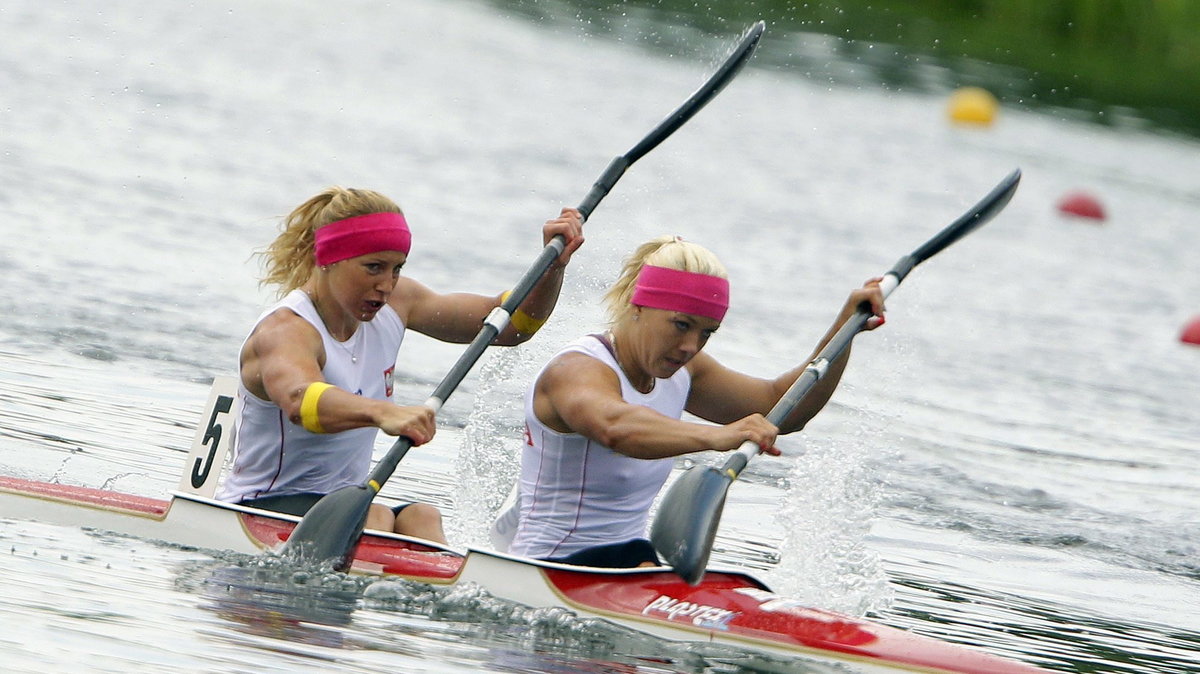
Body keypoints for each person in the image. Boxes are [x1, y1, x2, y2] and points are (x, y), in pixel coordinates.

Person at [217, 186, 584, 544]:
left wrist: (552, 266)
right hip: (260, 507)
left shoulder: (398, 303)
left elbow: (512, 325)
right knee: (375, 515)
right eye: (373, 267)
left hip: (336, 507)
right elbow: (300, 401)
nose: (387, 284)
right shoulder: (286, 330)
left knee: (421, 515)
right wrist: (382, 412)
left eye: (396, 268)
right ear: (327, 258)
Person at [493, 235, 884, 567]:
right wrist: (717, 436)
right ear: (637, 305)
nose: (689, 346)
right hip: (549, 565)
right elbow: (614, 426)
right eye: (681, 325)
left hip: (628, 563)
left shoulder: (685, 371)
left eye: (706, 333)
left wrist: (844, 331)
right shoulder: (576, 370)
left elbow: (784, 406)